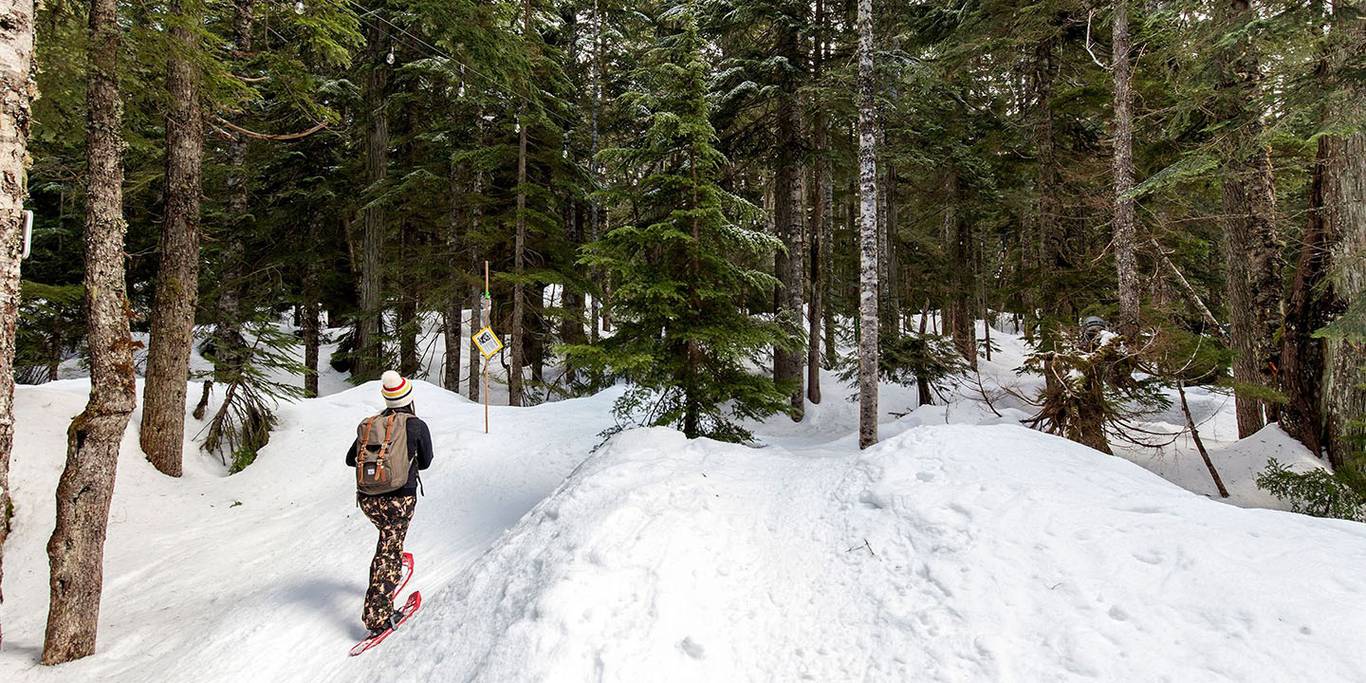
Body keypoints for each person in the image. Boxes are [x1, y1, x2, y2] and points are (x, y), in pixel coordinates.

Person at [345, 370, 434, 636]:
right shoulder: (415, 425)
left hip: (368, 500)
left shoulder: (371, 425)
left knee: (388, 536)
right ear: (409, 398)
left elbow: (352, 459)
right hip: (399, 498)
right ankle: (377, 617)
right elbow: (427, 462)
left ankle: (392, 557)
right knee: (388, 550)